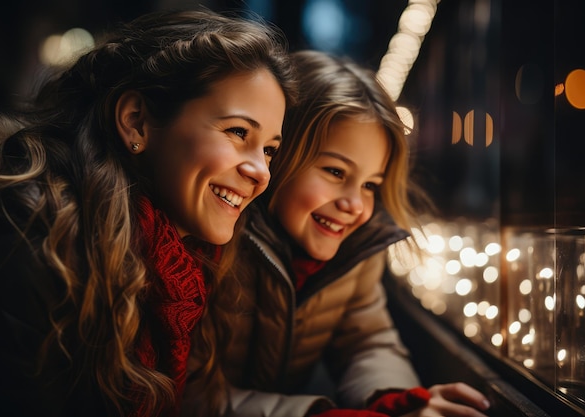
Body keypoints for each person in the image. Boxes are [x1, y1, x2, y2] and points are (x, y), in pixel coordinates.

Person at [0, 9, 297, 417]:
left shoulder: (186, 263)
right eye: (238, 132)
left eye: (269, 149)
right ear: (136, 122)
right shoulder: (29, 240)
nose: (261, 172)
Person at [183, 50, 491, 417]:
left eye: (370, 185)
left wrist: (394, 399)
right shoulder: (208, 243)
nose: (356, 206)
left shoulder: (356, 248)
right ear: (278, 157)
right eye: (336, 172)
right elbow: (189, 395)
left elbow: (367, 341)